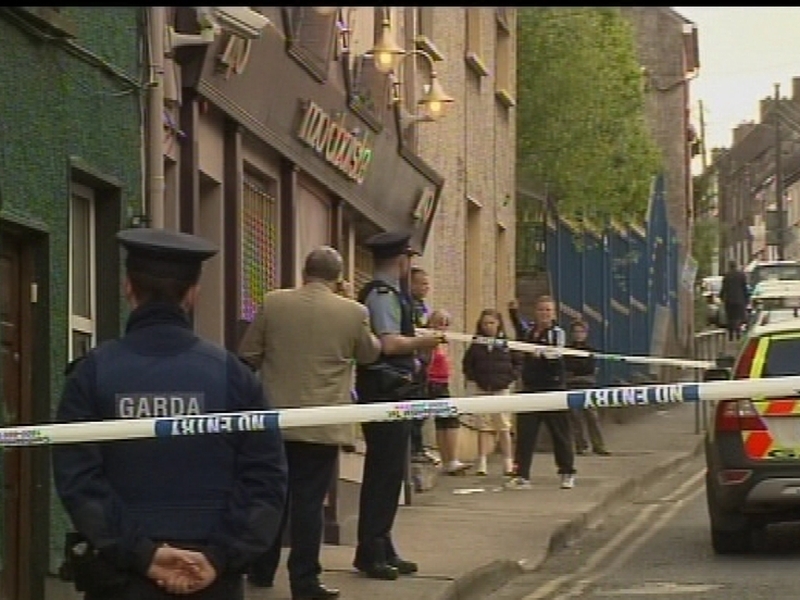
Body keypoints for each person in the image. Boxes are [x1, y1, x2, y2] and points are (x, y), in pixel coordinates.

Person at [52, 227, 288, 600]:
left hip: (122, 579)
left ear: (129, 288)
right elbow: (267, 479)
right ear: (193, 294)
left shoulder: (92, 373)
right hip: (213, 581)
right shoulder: (233, 375)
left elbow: (79, 481)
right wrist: (218, 556)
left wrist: (144, 555)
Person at [238, 246, 381, 599]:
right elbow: (370, 353)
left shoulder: (274, 303)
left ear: (304, 271)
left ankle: (262, 568)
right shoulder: (353, 312)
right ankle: (304, 581)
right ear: (338, 277)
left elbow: (248, 355)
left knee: (272, 496)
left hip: (276, 420)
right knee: (309, 502)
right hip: (322, 423)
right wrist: (347, 302)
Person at [353, 230, 445, 581]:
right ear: (401, 260)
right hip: (386, 392)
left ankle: (382, 543)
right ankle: (371, 550)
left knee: (391, 473)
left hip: (396, 392)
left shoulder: (391, 295)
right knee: (383, 473)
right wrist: (426, 340)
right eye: (409, 259)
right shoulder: (382, 295)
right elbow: (389, 344)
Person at [507, 296, 576, 490]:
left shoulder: (557, 333)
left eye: (548, 310)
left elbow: (555, 355)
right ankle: (522, 475)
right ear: (535, 312)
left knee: (560, 434)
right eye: (541, 310)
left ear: (553, 313)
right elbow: (521, 333)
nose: (544, 314)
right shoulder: (530, 330)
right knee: (525, 435)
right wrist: (513, 313)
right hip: (530, 389)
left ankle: (567, 472)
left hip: (553, 390)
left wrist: (541, 353)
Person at [461, 308, 519, 477]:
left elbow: (518, 362)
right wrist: (475, 378)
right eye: (485, 323)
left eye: (492, 323)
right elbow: (467, 364)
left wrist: (510, 378)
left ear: (498, 324)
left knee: (503, 426)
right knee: (483, 426)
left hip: (501, 388)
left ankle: (508, 462)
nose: (488, 326)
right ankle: (482, 461)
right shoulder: (477, 343)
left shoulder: (507, 344)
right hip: (482, 388)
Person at [426, 309, 468, 475]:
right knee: (450, 420)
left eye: (445, 324)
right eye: (439, 322)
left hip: (442, 382)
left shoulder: (444, 341)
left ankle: (448, 460)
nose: (442, 327)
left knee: (444, 422)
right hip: (432, 382)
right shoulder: (429, 339)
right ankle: (451, 460)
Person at [564, 319, 609, 456]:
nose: (578, 334)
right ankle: (580, 446)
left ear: (586, 333)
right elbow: (568, 368)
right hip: (572, 386)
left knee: (592, 417)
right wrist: (579, 369)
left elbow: (589, 368)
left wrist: (577, 370)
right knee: (575, 417)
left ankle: (599, 446)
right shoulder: (567, 350)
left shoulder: (591, 351)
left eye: (581, 331)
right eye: (576, 331)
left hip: (588, 386)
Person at [408, 266, 440, 466]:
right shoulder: (409, 306)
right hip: (413, 364)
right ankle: (414, 448)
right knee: (415, 409)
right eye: (422, 283)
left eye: (428, 284)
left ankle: (418, 447)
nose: (426, 287)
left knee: (422, 409)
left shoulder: (421, 306)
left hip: (424, 364)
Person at [719, 259, 749, 341]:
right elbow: (744, 288)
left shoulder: (727, 276)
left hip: (729, 300)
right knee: (738, 317)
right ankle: (738, 332)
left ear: (729, 266)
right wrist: (747, 299)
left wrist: (721, 297)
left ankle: (731, 334)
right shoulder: (741, 275)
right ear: (736, 265)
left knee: (730, 318)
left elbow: (724, 288)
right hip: (739, 300)